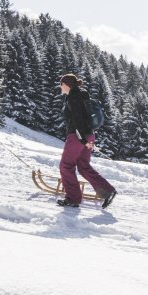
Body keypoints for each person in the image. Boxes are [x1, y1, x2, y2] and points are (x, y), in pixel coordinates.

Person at [56, 74, 117, 208]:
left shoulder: (73, 97)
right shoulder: (83, 96)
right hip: (90, 135)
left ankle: (73, 198)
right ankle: (108, 191)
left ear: (67, 84)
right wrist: (86, 140)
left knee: (66, 166)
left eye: (61, 84)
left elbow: (78, 120)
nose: (60, 86)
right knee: (83, 166)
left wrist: (82, 140)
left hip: (78, 137)